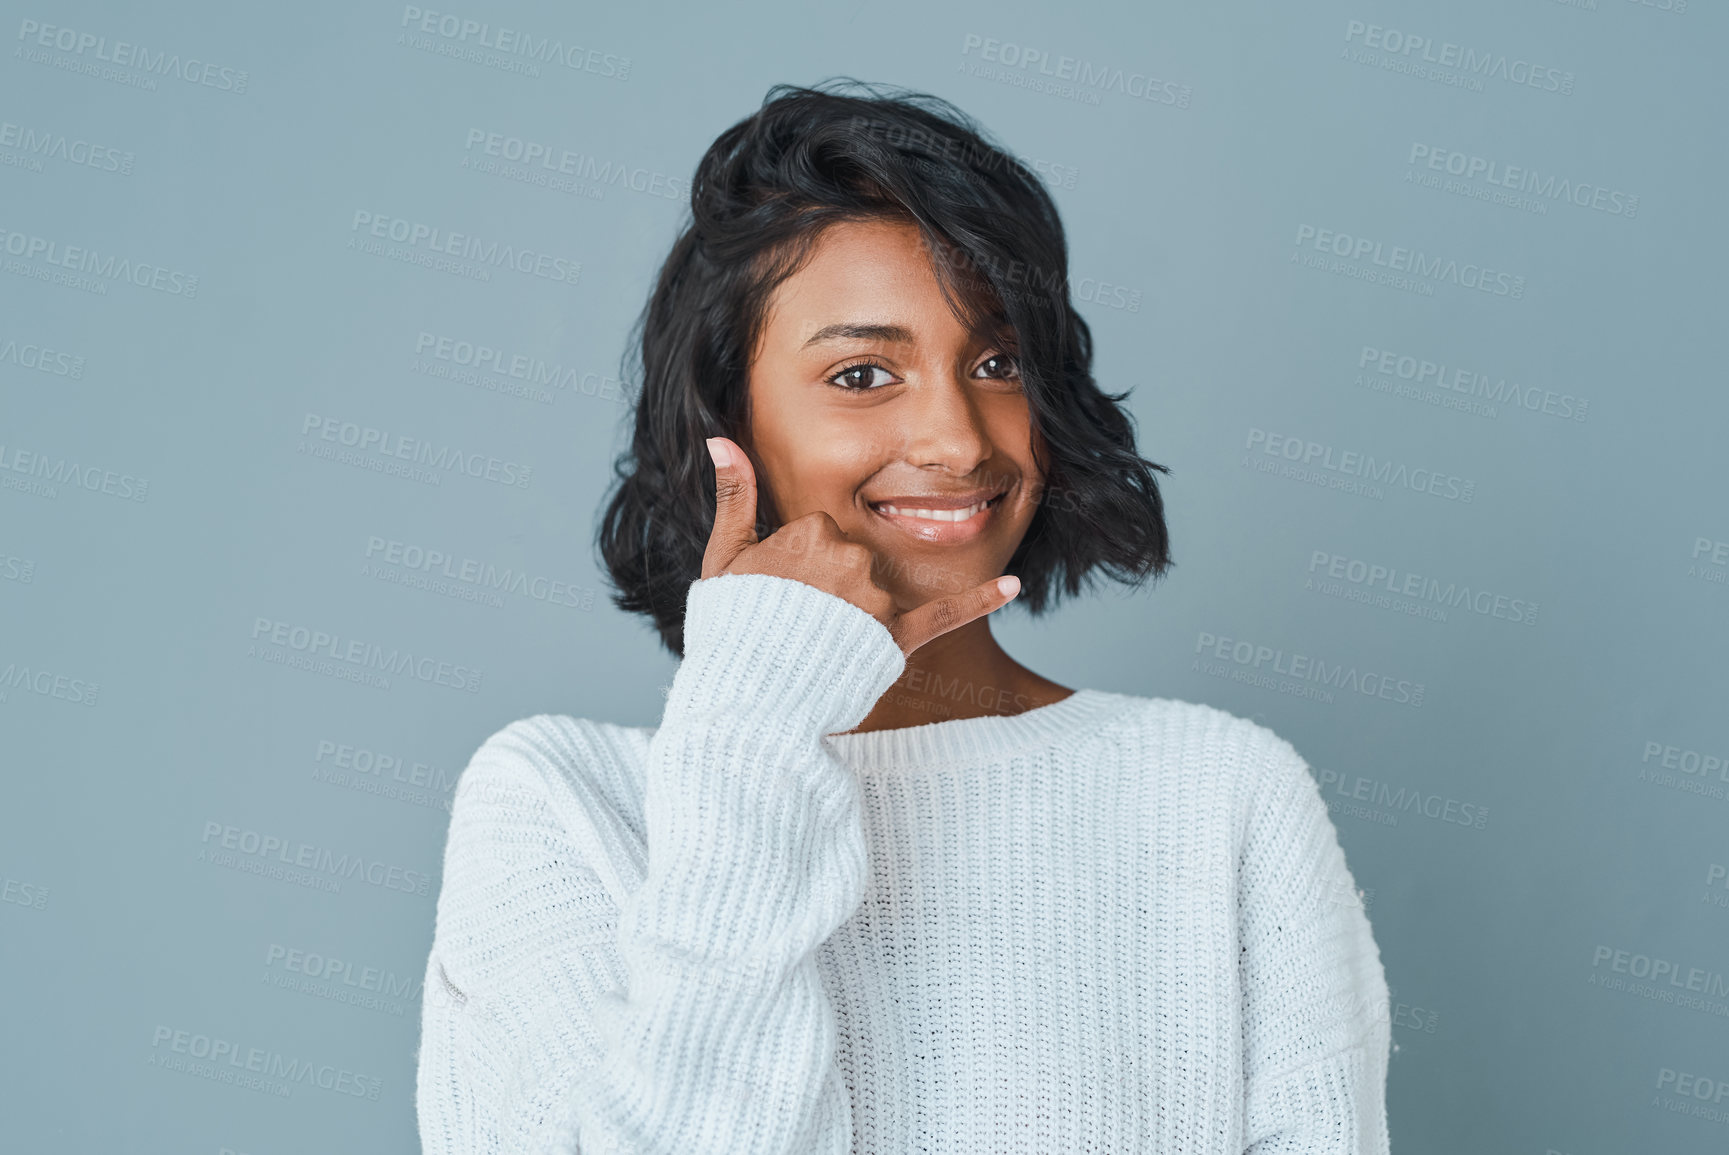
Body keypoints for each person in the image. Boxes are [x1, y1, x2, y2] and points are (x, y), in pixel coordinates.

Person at [416, 79, 1392, 1154]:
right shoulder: (563, 804)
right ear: (725, 422)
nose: (959, 438)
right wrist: (750, 728)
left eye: (996, 362)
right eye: (864, 372)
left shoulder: (1219, 794)